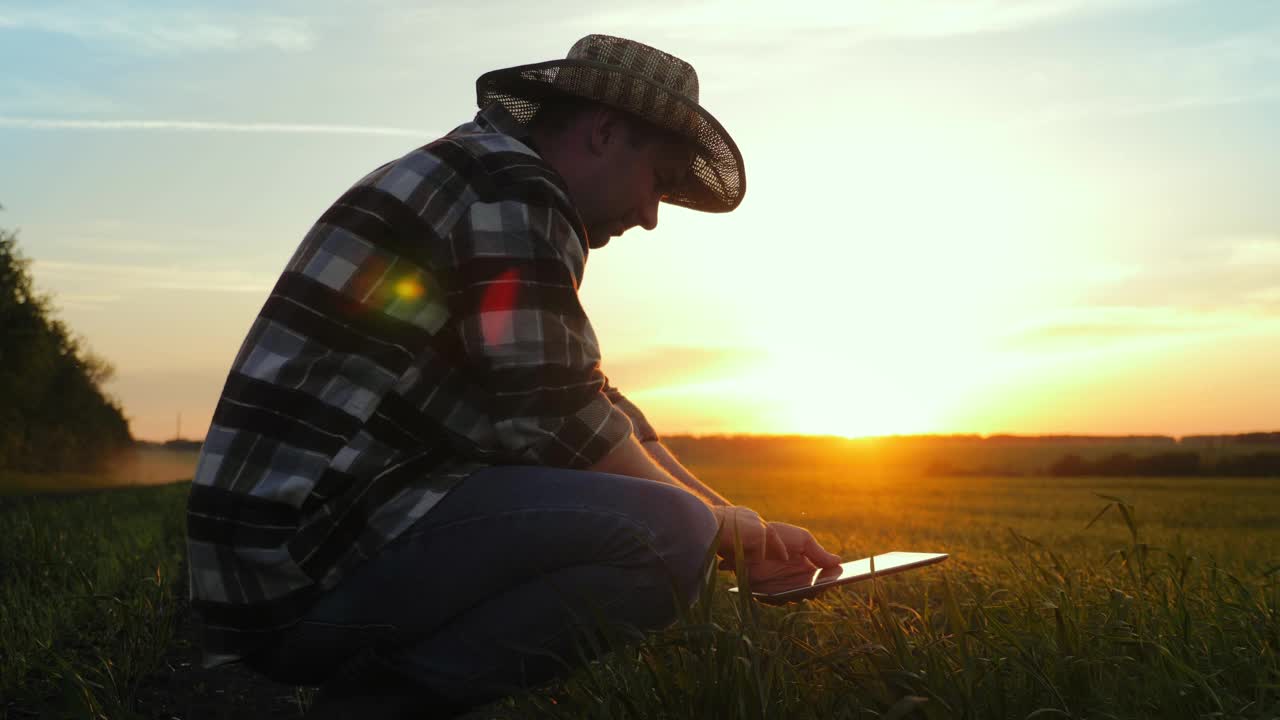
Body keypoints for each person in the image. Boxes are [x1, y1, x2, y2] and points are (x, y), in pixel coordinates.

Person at [185, 34, 841, 718]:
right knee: (667, 535)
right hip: (294, 577)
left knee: (688, 521)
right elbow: (558, 417)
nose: (651, 217)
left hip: (277, 563)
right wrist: (707, 526)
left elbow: (586, 397)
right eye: (658, 181)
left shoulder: (481, 175)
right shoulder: (510, 187)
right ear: (605, 131)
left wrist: (738, 525)